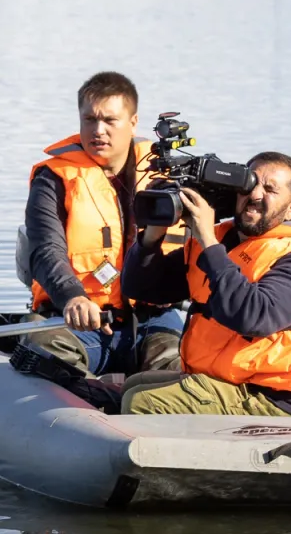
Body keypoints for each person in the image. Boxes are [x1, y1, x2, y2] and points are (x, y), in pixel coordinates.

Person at [118, 152, 291, 418]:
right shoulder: (229, 241)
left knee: (142, 402)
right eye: (250, 185)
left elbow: (256, 317)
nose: (256, 195)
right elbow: (142, 288)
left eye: (270, 189)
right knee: (134, 385)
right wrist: (155, 232)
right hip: (232, 382)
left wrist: (207, 240)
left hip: (279, 400)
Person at [19, 71, 187, 377]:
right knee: (43, 355)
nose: (98, 131)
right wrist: (73, 296)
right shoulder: (53, 179)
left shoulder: (169, 177)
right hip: (79, 322)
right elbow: (46, 250)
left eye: (110, 121)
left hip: (153, 320)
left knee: (180, 365)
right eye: (89, 120)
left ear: (133, 123)